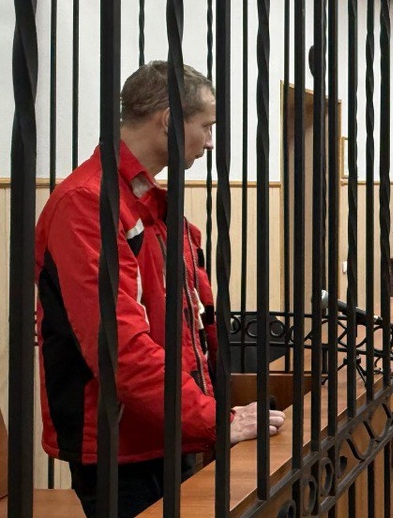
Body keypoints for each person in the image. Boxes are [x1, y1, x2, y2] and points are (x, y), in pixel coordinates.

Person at [34, 61, 285, 518]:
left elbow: (193, 318)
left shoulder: (149, 202)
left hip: (168, 426)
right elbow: (120, 348)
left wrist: (214, 404)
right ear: (170, 120)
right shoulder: (88, 203)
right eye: (207, 126)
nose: (211, 141)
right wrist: (212, 418)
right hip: (123, 444)